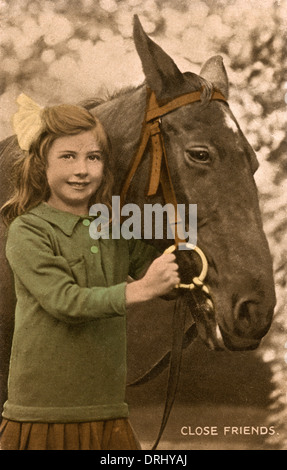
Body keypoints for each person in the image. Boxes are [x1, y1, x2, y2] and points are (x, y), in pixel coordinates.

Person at [0, 94, 180, 450]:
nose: (82, 169)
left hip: (108, 409)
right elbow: (65, 302)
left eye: (93, 157)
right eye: (67, 157)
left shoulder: (111, 227)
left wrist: (185, 255)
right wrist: (142, 289)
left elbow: (157, 267)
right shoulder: (28, 230)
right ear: (41, 166)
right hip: (42, 414)